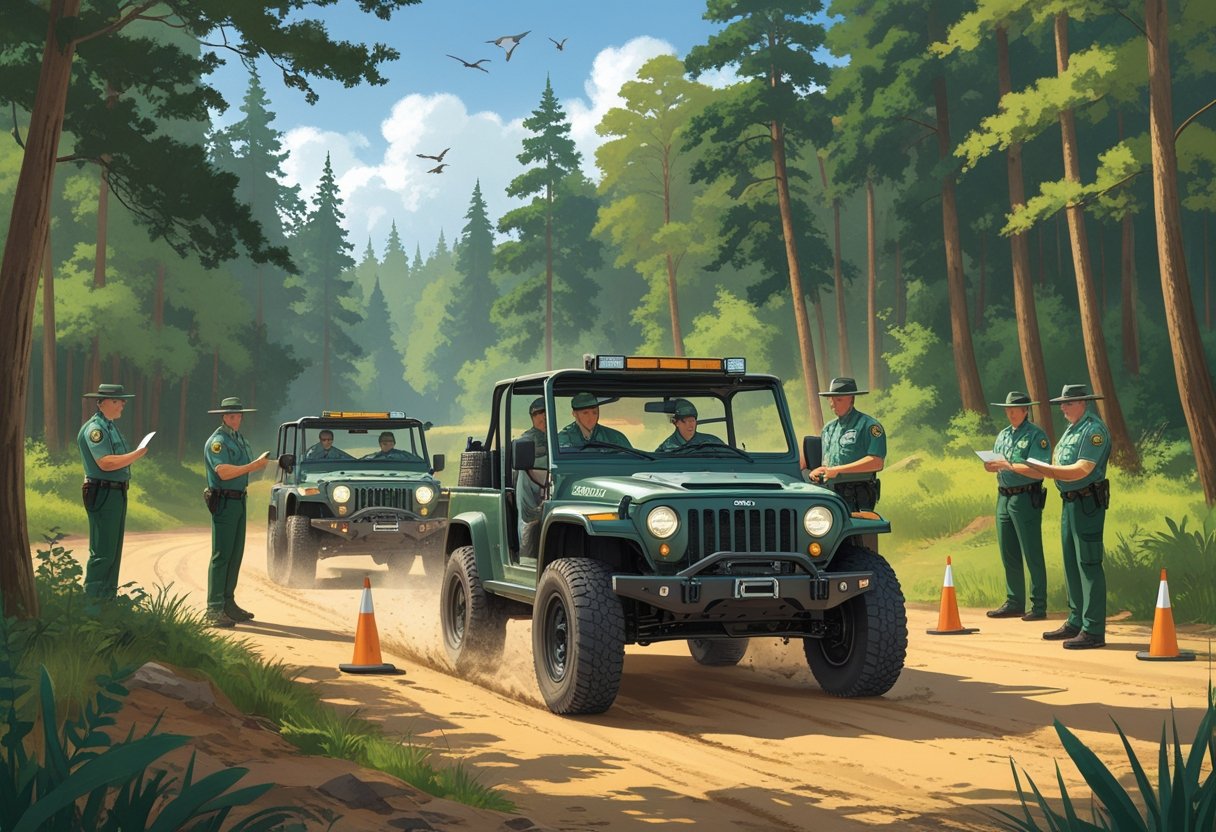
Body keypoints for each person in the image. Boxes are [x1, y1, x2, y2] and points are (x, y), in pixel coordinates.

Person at [1029, 384, 1112, 650]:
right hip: (1070, 503)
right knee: (1071, 564)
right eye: (1061, 403)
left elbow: (1083, 469)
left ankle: (1093, 629)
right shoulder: (1073, 429)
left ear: (1082, 403)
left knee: (1088, 564)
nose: (1062, 407)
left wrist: (1049, 471)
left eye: (1067, 403)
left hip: (1087, 503)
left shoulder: (1093, 430)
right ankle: (1076, 621)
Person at [982, 391, 1050, 622]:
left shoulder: (1036, 436)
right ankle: (1014, 602)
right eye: (1007, 409)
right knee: (1008, 551)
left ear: (1025, 411)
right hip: (1003, 495)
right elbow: (999, 462)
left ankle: (1039, 605)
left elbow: (1039, 469)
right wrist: (992, 466)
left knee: (1032, 551)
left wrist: (1009, 465)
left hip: (1025, 496)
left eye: (1014, 409)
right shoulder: (1003, 435)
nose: (1010, 413)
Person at [203, 396, 270, 628]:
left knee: (235, 554)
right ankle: (214, 608)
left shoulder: (239, 439)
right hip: (224, 500)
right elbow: (223, 471)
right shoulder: (218, 442)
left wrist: (272, 464)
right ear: (223, 417)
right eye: (231, 415)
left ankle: (228, 603)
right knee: (222, 554)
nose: (236, 419)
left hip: (239, 499)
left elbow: (249, 468)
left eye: (239, 415)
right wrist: (254, 466)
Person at [77, 383, 148, 598]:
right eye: (118, 401)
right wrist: (137, 454)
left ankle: (107, 601)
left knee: (113, 551)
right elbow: (105, 463)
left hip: (116, 493)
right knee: (102, 551)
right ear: (102, 403)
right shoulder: (96, 429)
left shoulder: (110, 426)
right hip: (103, 493)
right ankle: (92, 605)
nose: (123, 404)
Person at [807, 377, 886, 513]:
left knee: (858, 532)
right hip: (830, 492)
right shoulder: (828, 428)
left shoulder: (869, 426)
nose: (833, 404)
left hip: (858, 493)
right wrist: (819, 471)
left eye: (839, 400)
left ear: (851, 399)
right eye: (830, 399)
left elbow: (877, 462)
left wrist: (838, 470)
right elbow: (828, 463)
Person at [515, 397, 548, 559]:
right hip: (530, 485)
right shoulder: (526, 439)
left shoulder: (558, 439)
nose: (542, 417)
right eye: (537, 414)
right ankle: (526, 553)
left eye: (545, 412)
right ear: (532, 417)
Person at [557, 392, 633, 450]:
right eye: (585, 413)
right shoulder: (563, 438)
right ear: (574, 414)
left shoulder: (615, 438)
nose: (591, 417)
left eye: (594, 412)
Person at [654, 399, 722, 452]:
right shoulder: (666, 448)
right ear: (676, 423)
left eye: (692, 420)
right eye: (684, 421)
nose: (690, 425)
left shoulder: (712, 442)